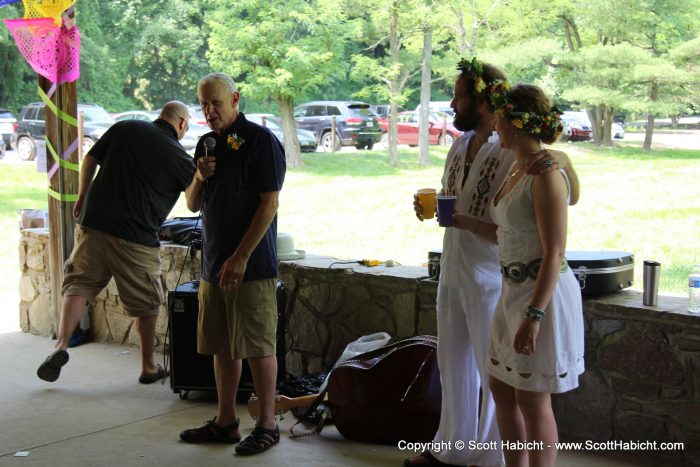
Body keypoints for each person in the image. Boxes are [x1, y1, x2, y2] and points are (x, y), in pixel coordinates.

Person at [407, 59, 579, 467]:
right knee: (458, 370)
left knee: (514, 387)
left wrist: (562, 160)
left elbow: (557, 202)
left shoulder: (518, 156)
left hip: (499, 279)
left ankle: (490, 458)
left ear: (488, 103)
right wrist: (431, 208)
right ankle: (451, 449)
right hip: (455, 268)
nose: (452, 102)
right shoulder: (465, 144)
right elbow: (462, 203)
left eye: (460, 95)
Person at [36, 101, 195, 384]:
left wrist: (83, 196)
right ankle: (148, 366)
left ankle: (60, 344)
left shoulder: (126, 126)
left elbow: (90, 159)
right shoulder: (180, 158)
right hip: (136, 236)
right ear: (182, 124)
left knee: (79, 283)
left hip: (94, 221)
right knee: (146, 300)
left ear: (161, 115)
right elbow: (195, 202)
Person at [179, 73, 286, 456]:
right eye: (203, 104)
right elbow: (192, 204)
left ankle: (268, 424)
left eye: (216, 103)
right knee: (221, 346)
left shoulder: (260, 142)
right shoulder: (207, 144)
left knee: (257, 345)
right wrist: (198, 175)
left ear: (235, 99)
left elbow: (269, 204)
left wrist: (241, 256)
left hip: (251, 266)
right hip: (213, 266)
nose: (209, 111)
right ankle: (225, 422)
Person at [487, 84, 584, 467]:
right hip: (510, 290)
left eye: (498, 116)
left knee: (531, 395)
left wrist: (534, 316)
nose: (493, 123)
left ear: (515, 122)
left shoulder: (545, 173)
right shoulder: (515, 166)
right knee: (501, 387)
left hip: (540, 293)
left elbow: (554, 251)